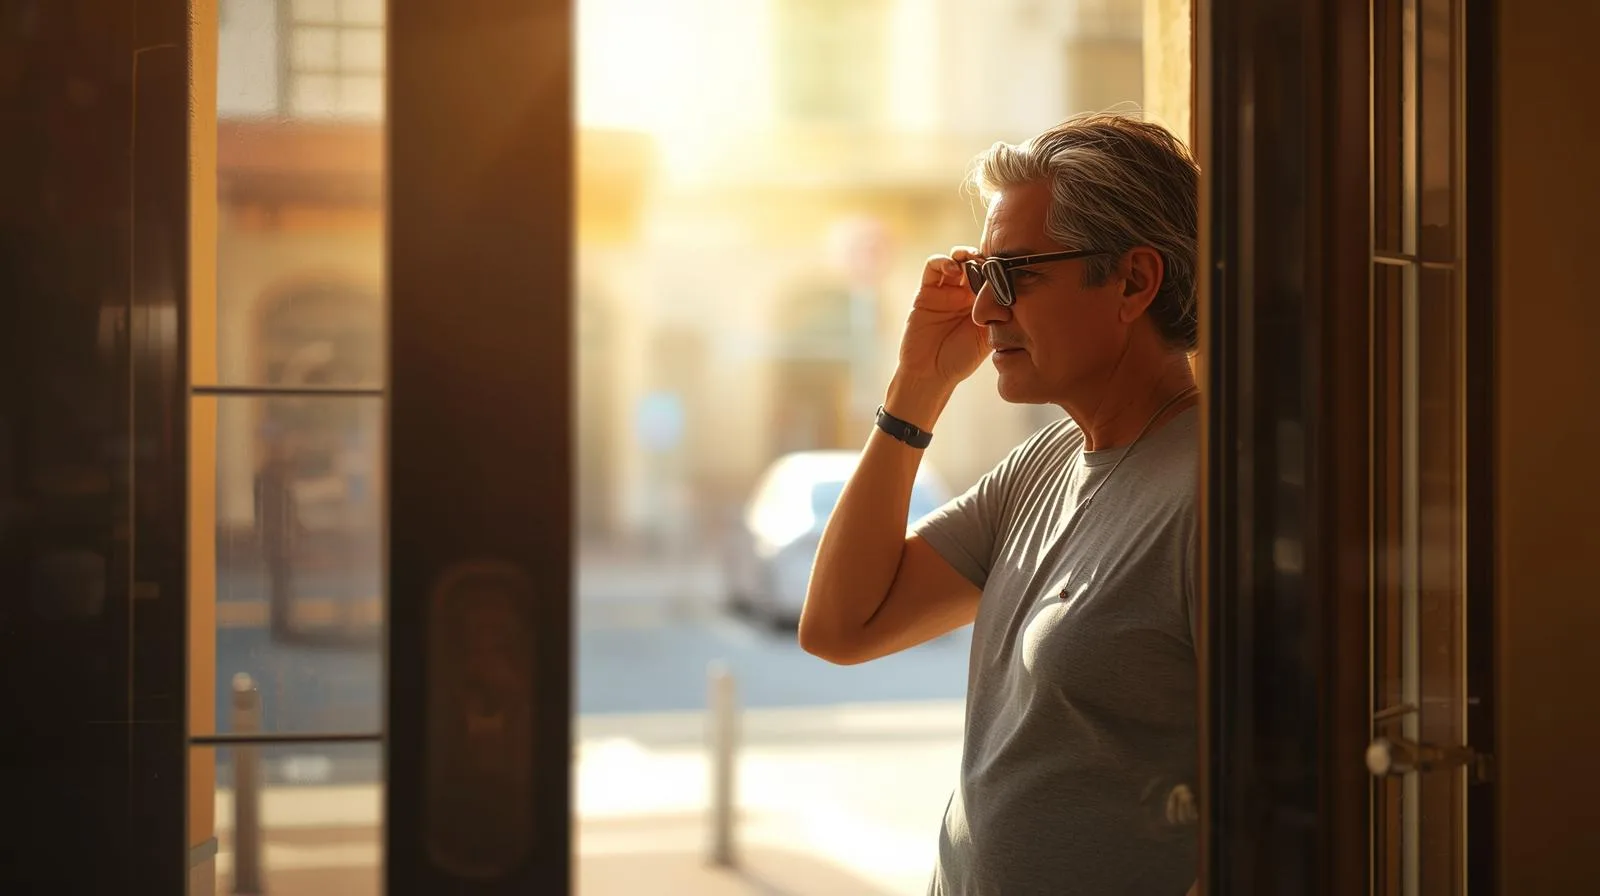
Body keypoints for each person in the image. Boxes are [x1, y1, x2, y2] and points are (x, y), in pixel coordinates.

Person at [798, 112, 1203, 895]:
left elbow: (1280, 812)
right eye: (982, 276)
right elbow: (841, 627)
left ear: (1133, 281)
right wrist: (919, 384)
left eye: (1014, 275)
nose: (984, 310)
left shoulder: (1215, 498)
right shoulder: (1043, 464)